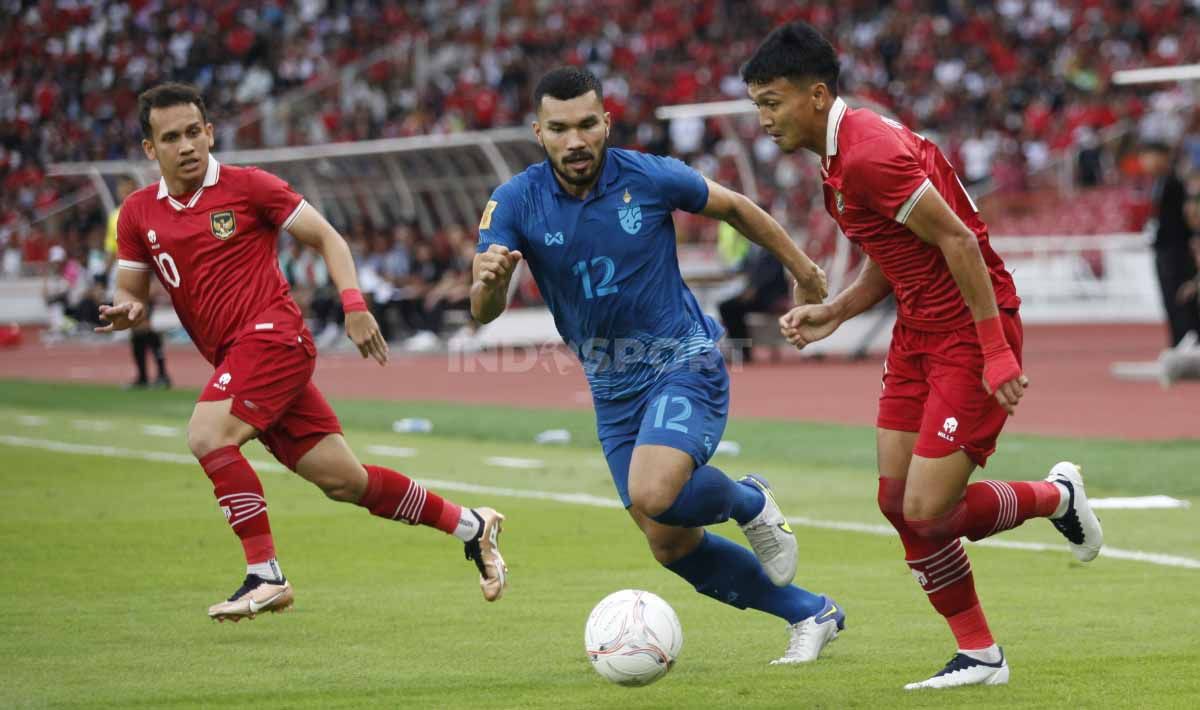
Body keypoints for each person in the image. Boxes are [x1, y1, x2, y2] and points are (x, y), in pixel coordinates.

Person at [741, 23, 1103, 690]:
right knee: (895, 501)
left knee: (929, 510)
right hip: (918, 333)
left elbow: (959, 242)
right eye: (758, 104)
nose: (762, 119)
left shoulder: (869, 153)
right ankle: (980, 655)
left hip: (969, 330)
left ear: (816, 96)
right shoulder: (838, 155)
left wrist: (995, 351)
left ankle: (1056, 497)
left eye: (771, 102)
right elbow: (896, 248)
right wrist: (840, 310)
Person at [97, 82, 508, 621]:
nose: (187, 146)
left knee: (206, 434)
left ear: (211, 132)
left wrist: (354, 304)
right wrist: (128, 309)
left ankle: (264, 573)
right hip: (237, 360)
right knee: (346, 481)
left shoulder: (249, 188)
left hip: (272, 337)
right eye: (171, 137)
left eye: (195, 132)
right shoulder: (136, 215)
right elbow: (132, 292)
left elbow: (328, 238)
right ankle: (471, 526)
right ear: (151, 150)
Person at [473, 67, 842, 665]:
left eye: (588, 124)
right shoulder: (515, 201)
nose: (576, 141)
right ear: (539, 132)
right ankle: (810, 613)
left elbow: (736, 208)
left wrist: (803, 269)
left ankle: (749, 500)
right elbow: (483, 309)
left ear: (606, 124)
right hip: (611, 387)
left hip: (683, 361)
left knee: (655, 490)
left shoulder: (647, 176)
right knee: (668, 543)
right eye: (560, 128)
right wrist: (489, 283)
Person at [106, 177, 171, 388]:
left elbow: (153, 246)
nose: (122, 193)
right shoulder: (114, 216)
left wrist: (154, 278)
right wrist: (102, 276)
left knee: (143, 324)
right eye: (120, 189)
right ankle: (143, 376)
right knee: (135, 326)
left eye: (126, 188)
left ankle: (161, 374)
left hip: (143, 274)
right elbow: (111, 250)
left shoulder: (144, 211)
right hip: (124, 274)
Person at [1140, 141, 1200, 347]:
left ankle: (1189, 339)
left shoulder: (1174, 183)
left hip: (1176, 249)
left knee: (1180, 296)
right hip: (1163, 248)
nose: (1146, 161)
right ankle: (1177, 341)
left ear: (1163, 157)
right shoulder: (1158, 184)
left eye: (1150, 156)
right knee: (1168, 297)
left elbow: (1184, 219)